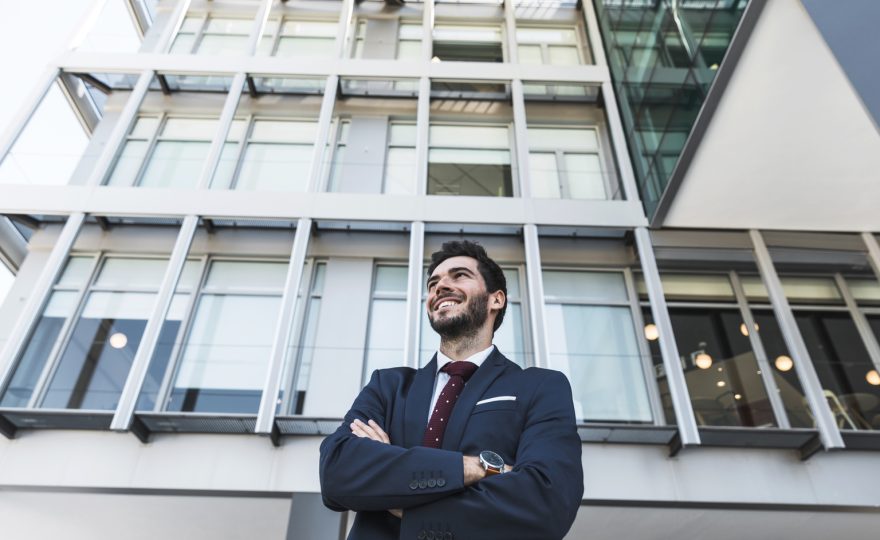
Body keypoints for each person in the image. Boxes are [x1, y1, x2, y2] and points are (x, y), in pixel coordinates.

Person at [320, 240, 583, 540]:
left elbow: (547, 501)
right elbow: (337, 473)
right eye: (433, 283)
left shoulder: (540, 387)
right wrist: (477, 467)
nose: (440, 286)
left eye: (459, 275)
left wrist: (397, 488)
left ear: (496, 299)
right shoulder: (388, 386)